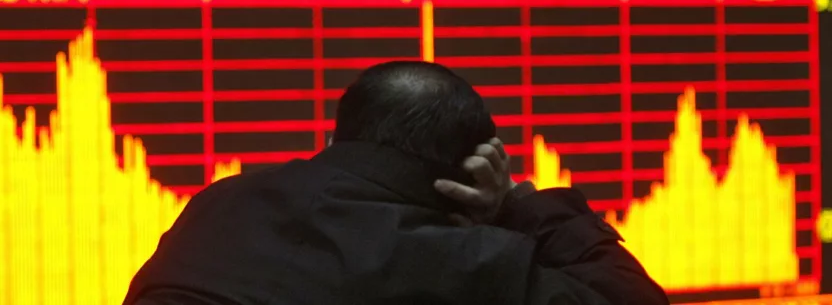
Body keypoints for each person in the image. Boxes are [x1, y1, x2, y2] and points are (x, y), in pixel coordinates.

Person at [122, 61, 669, 305]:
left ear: (338, 141)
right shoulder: (454, 262)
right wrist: (517, 205)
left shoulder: (218, 206)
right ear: (462, 178)